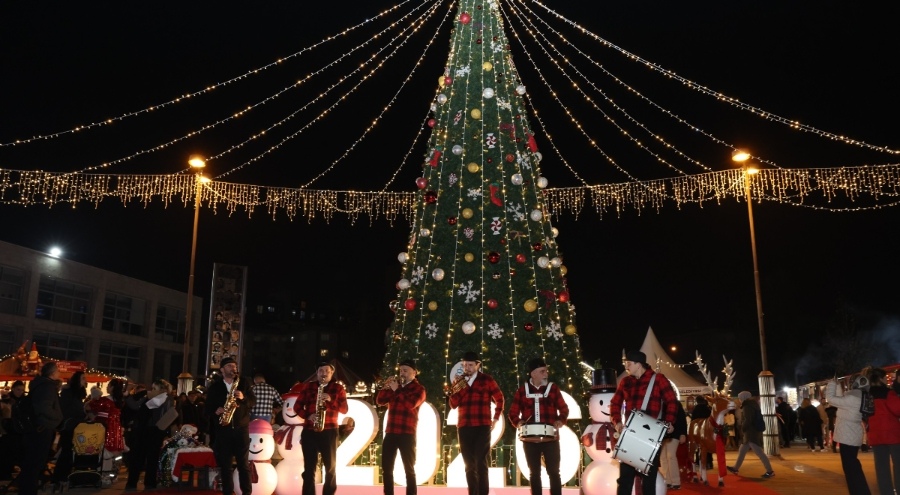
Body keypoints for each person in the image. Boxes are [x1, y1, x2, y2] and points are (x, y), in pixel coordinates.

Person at [609, 350, 678, 495]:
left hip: (651, 435)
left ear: (638, 364)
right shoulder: (625, 382)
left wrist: (669, 422)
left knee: (648, 479)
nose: (626, 366)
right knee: (625, 478)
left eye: (629, 363)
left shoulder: (658, 379)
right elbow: (615, 403)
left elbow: (672, 401)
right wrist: (617, 422)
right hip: (631, 434)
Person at [507, 357, 569, 495]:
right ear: (533, 373)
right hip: (530, 439)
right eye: (542, 371)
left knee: (554, 472)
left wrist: (560, 420)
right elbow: (512, 412)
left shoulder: (553, 388)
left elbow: (564, 409)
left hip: (550, 438)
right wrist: (518, 422)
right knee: (534, 473)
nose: (546, 374)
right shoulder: (522, 391)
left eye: (546, 371)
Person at [449, 351, 504, 495]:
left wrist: (496, 418)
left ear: (478, 365)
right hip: (464, 426)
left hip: (482, 425)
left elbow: (499, 398)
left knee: (481, 462)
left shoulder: (487, 380)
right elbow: (453, 404)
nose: (467, 367)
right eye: (465, 365)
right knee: (468, 464)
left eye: (470, 365)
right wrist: (461, 386)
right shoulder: (459, 381)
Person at [205, 357, 256, 495]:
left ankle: (247, 493)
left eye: (234, 366)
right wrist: (216, 410)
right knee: (226, 466)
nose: (233, 368)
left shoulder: (243, 383)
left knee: (243, 465)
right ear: (222, 370)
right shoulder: (215, 387)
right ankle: (228, 492)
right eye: (229, 366)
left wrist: (243, 397)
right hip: (223, 430)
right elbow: (207, 408)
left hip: (241, 429)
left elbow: (252, 401)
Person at [297, 361, 348, 495]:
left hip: (329, 431)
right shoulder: (308, 386)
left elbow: (344, 409)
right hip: (309, 431)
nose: (324, 374)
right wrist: (308, 416)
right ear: (317, 373)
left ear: (332, 373)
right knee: (309, 468)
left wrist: (331, 400)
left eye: (327, 371)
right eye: (321, 371)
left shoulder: (338, 388)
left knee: (330, 467)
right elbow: (297, 406)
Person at [376, 359, 426, 495]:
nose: (402, 373)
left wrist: (397, 390)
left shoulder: (419, 389)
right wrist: (385, 387)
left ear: (414, 373)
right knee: (387, 468)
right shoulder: (395, 386)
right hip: (391, 432)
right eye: (400, 370)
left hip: (407, 433)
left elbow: (411, 404)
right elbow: (380, 401)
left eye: (405, 370)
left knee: (409, 469)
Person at [19, 362, 62, 495]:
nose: (59, 373)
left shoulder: (39, 384)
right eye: (57, 370)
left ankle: (26, 489)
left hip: (36, 427)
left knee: (31, 462)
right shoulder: (47, 387)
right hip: (42, 428)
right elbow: (44, 407)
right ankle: (29, 491)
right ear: (52, 373)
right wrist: (58, 417)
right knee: (36, 462)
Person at [125, 378, 174, 491]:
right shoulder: (158, 398)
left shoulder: (165, 399)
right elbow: (135, 406)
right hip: (148, 431)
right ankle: (142, 483)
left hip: (152, 431)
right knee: (144, 457)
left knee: (146, 458)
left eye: (154, 388)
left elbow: (135, 406)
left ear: (161, 389)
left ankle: (142, 483)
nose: (152, 390)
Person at [826, 375, 870, 495]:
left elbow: (831, 399)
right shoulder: (860, 397)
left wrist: (831, 384)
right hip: (852, 434)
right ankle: (860, 491)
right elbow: (841, 400)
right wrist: (837, 386)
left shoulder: (852, 398)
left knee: (851, 469)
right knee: (853, 466)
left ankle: (860, 492)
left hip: (847, 436)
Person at [866, 368, 900, 495]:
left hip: (875, 435)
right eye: (885, 377)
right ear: (880, 379)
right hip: (892, 434)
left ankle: (886, 492)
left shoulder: (867, 395)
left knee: (881, 468)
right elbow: (897, 409)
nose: (887, 379)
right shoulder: (888, 393)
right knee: (898, 465)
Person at [726, 391, 775, 478]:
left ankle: (770, 471)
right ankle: (735, 468)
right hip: (752, 432)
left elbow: (748, 420)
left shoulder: (747, 406)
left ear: (743, 398)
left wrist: (743, 428)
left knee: (759, 452)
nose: (739, 400)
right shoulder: (753, 404)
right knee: (742, 450)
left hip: (751, 433)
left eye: (740, 398)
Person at [53, 371, 88, 487]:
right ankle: (59, 477)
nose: (85, 380)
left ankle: (65, 475)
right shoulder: (68, 392)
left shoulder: (78, 393)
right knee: (66, 451)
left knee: (70, 451)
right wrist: (82, 413)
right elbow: (68, 409)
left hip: (75, 425)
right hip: (69, 426)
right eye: (83, 378)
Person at [0, 381, 27, 481]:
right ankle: (5, 474)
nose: (20, 392)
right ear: (13, 389)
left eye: (22, 390)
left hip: (18, 430)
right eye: (18, 390)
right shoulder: (7, 400)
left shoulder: (23, 401)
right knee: (6, 453)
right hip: (8, 430)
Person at [660, 399, 688, 489]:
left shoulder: (676, 403)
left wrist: (683, 433)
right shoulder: (659, 403)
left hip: (675, 433)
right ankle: (667, 480)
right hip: (661, 433)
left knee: (671, 456)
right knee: (663, 457)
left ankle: (676, 481)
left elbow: (682, 419)